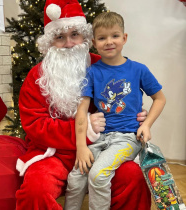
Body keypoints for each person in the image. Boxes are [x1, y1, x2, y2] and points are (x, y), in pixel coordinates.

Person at [15, 0, 152, 209]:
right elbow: (34, 125)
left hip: (104, 148)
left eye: (74, 35)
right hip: (54, 153)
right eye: (60, 37)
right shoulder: (36, 77)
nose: (69, 43)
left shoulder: (103, 64)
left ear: (85, 37)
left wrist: (136, 115)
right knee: (36, 189)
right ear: (49, 43)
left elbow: (124, 98)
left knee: (133, 178)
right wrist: (84, 129)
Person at [64, 12, 166, 210]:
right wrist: (81, 147)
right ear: (94, 42)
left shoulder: (139, 70)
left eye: (115, 36)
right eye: (102, 38)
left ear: (124, 38)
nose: (109, 42)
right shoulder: (92, 72)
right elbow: (82, 110)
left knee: (98, 175)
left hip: (127, 138)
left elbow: (160, 98)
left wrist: (146, 124)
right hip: (100, 138)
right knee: (76, 177)